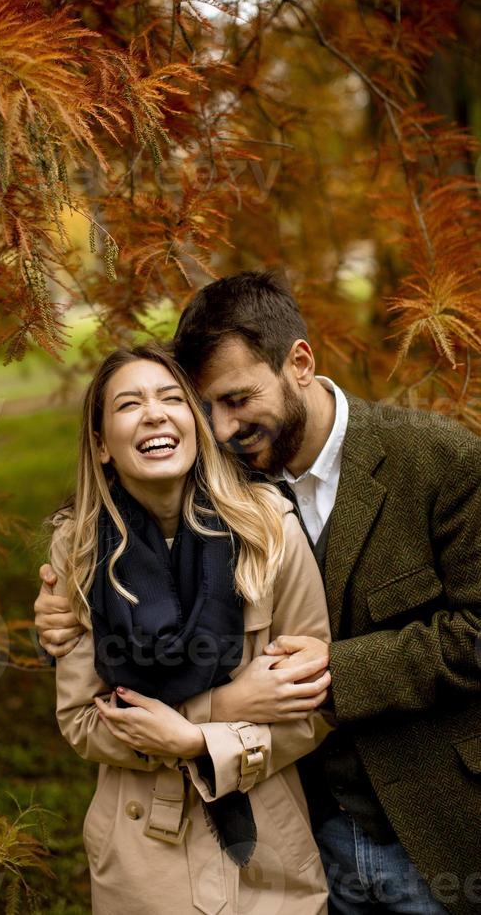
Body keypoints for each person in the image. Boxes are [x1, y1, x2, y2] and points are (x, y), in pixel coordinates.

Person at [36, 272, 481, 915]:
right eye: (207, 406)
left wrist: (340, 668)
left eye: (237, 400)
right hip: (311, 829)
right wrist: (55, 618)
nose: (220, 428)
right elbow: (119, 585)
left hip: (429, 825)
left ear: (299, 362)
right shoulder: (219, 476)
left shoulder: (436, 461)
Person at [45, 342, 333, 914]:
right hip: (141, 854)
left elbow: (316, 705)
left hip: (265, 842)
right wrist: (222, 708)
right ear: (102, 445)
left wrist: (199, 741)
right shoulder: (77, 549)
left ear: (195, 425)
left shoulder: (269, 532)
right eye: (128, 404)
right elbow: (82, 720)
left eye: (171, 398)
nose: (154, 413)